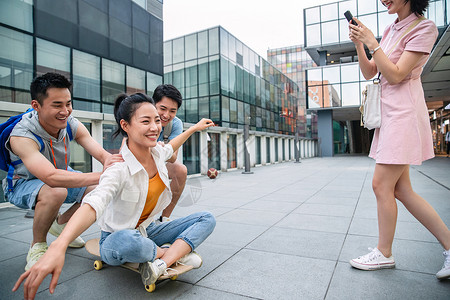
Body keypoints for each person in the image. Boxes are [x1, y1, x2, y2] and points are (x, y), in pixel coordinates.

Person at [13, 92, 216, 299]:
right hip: (116, 238)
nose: (155, 127)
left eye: (157, 120)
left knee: (206, 218)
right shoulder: (118, 169)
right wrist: (59, 245)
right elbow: (93, 204)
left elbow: (172, 145)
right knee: (128, 240)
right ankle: (172, 254)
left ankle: (162, 261)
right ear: (125, 125)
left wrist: (194, 128)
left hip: (149, 229)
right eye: (145, 121)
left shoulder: (157, 153)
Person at [347, 0, 450, 280]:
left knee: (381, 185)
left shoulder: (424, 28)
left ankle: (384, 252)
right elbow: (372, 72)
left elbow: (396, 74)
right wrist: (360, 42)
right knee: (402, 191)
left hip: (403, 114)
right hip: (389, 114)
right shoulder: (391, 28)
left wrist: (373, 43)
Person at [4, 72, 122, 271]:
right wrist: (105, 175)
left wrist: (114, 162)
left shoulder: (70, 123)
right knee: (56, 190)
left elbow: (102, 155)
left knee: (97, 187)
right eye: (57, 105)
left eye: (68, 103)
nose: (65, 111)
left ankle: (59, 223)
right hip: (21, 183)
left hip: (57, 175)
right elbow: (50, 177)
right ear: (36, 106)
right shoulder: (22, 135)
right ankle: (38, 246)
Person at [152, 84, 187, 222]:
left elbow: (173, 157)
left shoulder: (176, 124)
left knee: (181, 170)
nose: (166, 115)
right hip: (137, 163)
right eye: (162, 109)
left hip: (159, 161)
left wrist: (162, 148)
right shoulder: (140, 116)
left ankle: (164, 219)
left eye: (172, 111)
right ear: (153, 104)